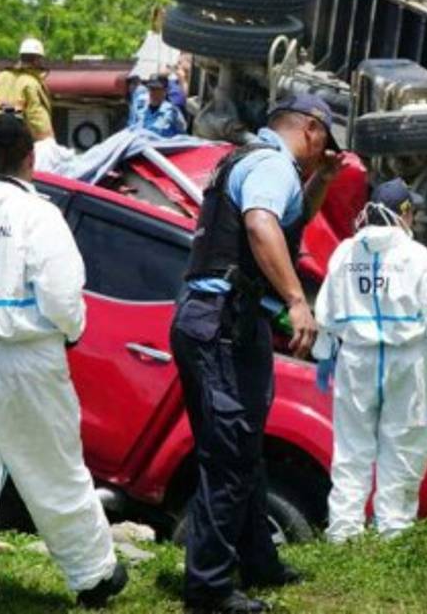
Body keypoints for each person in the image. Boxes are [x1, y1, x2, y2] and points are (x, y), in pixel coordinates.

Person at [0, 112, 127, 612]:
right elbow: (61, 294)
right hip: (21, 357)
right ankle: (94, 574)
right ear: (31, 156)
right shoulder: (38, 215)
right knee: (54, 471)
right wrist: (72, 332)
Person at [171, 93, 342, 614]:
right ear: (312, 130)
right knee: (227, 457)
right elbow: (263, 225)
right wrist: (297, 300)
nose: (322, 154)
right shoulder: (272, 165)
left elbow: (288, 218)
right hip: (221, 324)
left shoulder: (251, 159)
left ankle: (258, 560)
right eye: (324, 145)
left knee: (243, 450)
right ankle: (209, 588)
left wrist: (325, 180)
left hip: (220, 323)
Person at [313, 178, 427, 542]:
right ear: (404, 213)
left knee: (351, 448)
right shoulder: (415, 255)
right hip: (407, 361)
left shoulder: (346, 252)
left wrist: (323, 352)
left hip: (356, 359)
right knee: (404, 445)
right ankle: (393, 532)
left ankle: (344, 532)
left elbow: (327, 307)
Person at [0, 37, 66, 170]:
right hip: (25, 145)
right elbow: (35, 115)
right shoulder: (31, 82)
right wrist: (48, 141)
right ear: (37, 59)